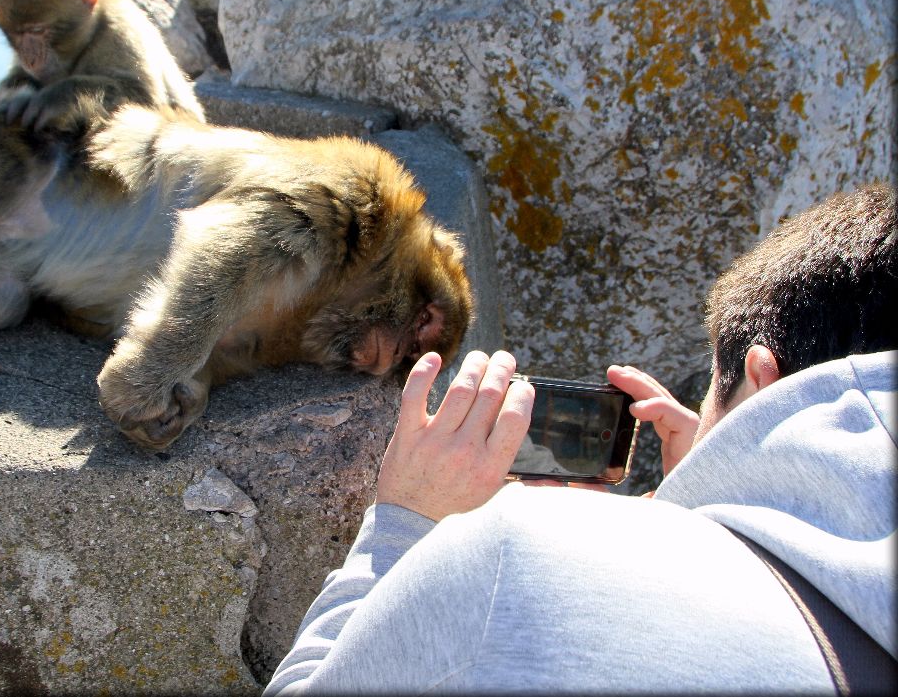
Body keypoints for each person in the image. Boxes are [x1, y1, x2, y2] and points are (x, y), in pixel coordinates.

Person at [265, 183, 896, 694]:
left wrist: (404, 524)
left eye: (711, 395)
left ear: (761, 381)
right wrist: (704, 517)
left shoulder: (515, 567)